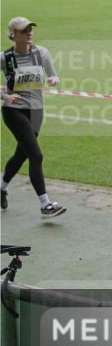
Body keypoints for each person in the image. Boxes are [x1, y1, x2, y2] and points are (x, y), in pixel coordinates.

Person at [1, 17, 65, 219]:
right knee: (36, 155)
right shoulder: (5, 58)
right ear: (13, 35)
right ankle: (45, 205)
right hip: (14, 110)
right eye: (24, 30)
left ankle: (1, 187)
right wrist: (4, 96)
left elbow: (53, 75)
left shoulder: (41, 53)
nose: (29, 33)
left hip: (36, 111)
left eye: (30, 29)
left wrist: (54, 78)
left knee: (21, 155)